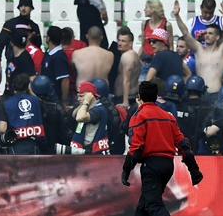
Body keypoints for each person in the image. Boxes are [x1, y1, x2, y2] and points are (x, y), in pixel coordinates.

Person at [122, 80, 203, 213]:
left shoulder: (139, 116)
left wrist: (126, 170)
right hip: (168, 165)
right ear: (156, 97)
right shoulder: (168, 116)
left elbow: (136, 147)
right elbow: (183, 144)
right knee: (143, 207)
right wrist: (194, 170)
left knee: (153, 205)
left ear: (139, 97)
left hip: (151, 166)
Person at [174, 0, 223, 95]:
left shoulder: (222, 51)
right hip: (200, 94)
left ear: (217, 37)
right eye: (206, 33)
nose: (207, 35)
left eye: (210, 33)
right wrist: (177, 16)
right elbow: (185, 33)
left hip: (215, 93)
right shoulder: (199, 50)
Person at [69, 80, 111, 154]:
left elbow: (80, 117)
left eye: (81, 96)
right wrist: (83, 103)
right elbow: (74, 114)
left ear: (90, 95)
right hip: (83, 149)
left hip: (92, 151)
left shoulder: (97, 110)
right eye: (78, 96)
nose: (78, 99)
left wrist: (86, 101)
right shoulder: (86, 107)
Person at [140, 0, 173, 80]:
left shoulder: (166, 25)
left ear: (152, 10)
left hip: (160, 62)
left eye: (146, 7)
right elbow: (143, 45)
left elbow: (170, 46)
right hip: (146, 62)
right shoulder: (144, 24)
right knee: (143, 87)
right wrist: (137, 59)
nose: (144, 10)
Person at [41, 25, 70, 105]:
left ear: (48, 38)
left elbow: (65, 80)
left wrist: (64, 102)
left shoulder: (59, 57)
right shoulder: (48, 53)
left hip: (55, 101)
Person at [114, 26, 140, 107]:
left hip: (124, 98)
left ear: (130, 43)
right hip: (130, 96)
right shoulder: (134, 55)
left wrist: (125, 102)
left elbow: (127, 80)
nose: (119, 43)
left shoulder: (127, 56)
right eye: (119, 40)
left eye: (123, 41)